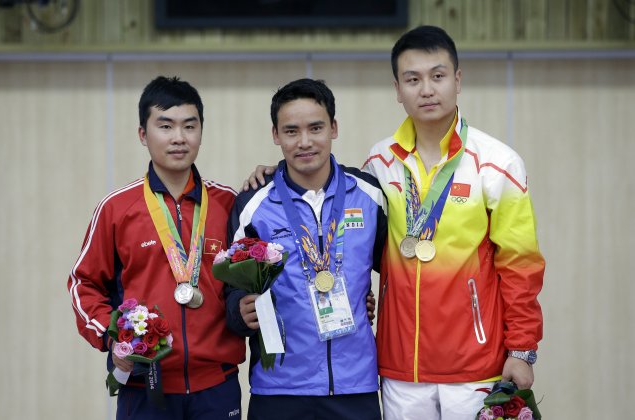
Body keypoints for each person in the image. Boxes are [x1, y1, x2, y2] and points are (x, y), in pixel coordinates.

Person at [245, 25, 545, 420]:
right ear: (397, 89)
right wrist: (279, 174)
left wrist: (521, 351)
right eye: (413, 79)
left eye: (437, 76)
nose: (426, 89)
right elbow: (344, 218)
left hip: (476, 367)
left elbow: (520, 266)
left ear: (457, 81)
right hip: (400, 368)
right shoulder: (380, 164)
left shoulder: (497, 163)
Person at [67, 76, 246, 419]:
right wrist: (112, 335)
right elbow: (83, 283)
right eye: (165, 126)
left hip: (217, 386)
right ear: (142, 134)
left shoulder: (229, 204)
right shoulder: (117, 208)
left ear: (201, 132)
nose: (179, 137)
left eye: (189, 126)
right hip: (144, 386)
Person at [225, 78, 387, 420]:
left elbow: (399, 272)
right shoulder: (253, 204)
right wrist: (240, 312)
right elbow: (230, 291)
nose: (304, 142)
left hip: (355, 387)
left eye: (316, 128)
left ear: (334, 128)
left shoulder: (371, 195)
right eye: (291, 131)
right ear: (275, 135)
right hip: (279, 388)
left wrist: (369, 301)